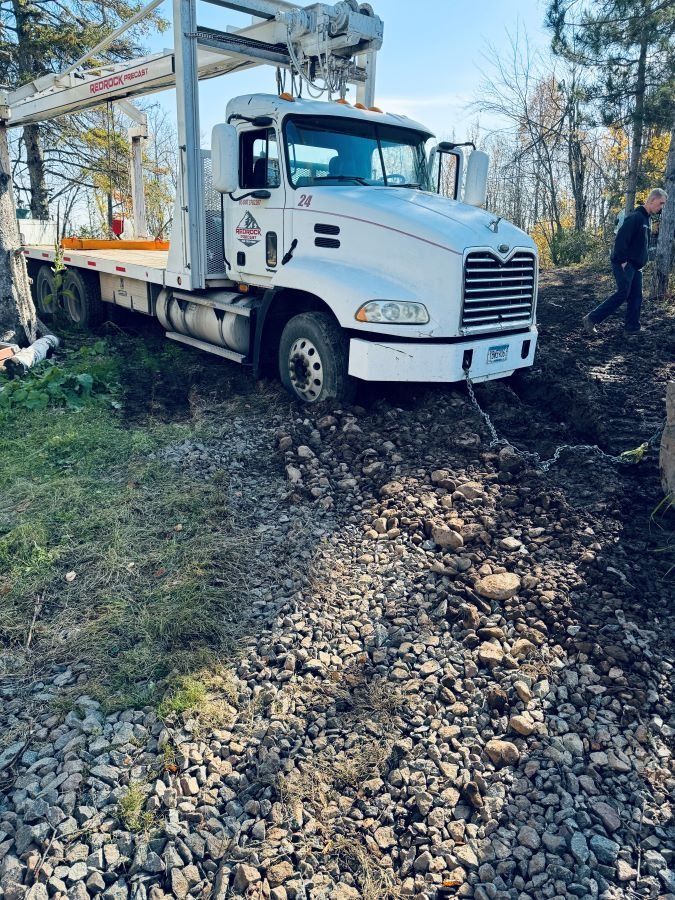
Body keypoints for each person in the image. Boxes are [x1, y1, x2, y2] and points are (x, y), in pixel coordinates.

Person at [583, 188, 668, 336]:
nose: (661, 207)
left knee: (636, 296)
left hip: (636, 266)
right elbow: (620, 240)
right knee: (623, 293)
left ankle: (631, 328)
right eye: (661, 203)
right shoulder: (635, 217)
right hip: (624, 263)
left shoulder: (647, 219)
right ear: (653, 199)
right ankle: (591, 319)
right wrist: (623, 262)